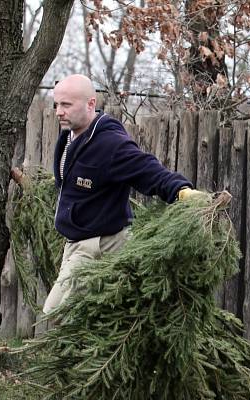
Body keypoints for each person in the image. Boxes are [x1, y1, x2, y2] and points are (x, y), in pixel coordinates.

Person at [42, 74, 204, 315]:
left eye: (66, 105)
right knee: (90, 318)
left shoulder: (111, 144)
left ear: (90, 104)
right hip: (75, 244)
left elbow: (148, 170)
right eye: (56, 104)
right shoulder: (69, 136)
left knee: (57, 313)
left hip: (97, 246)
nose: (58, 111)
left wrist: (182, 192)